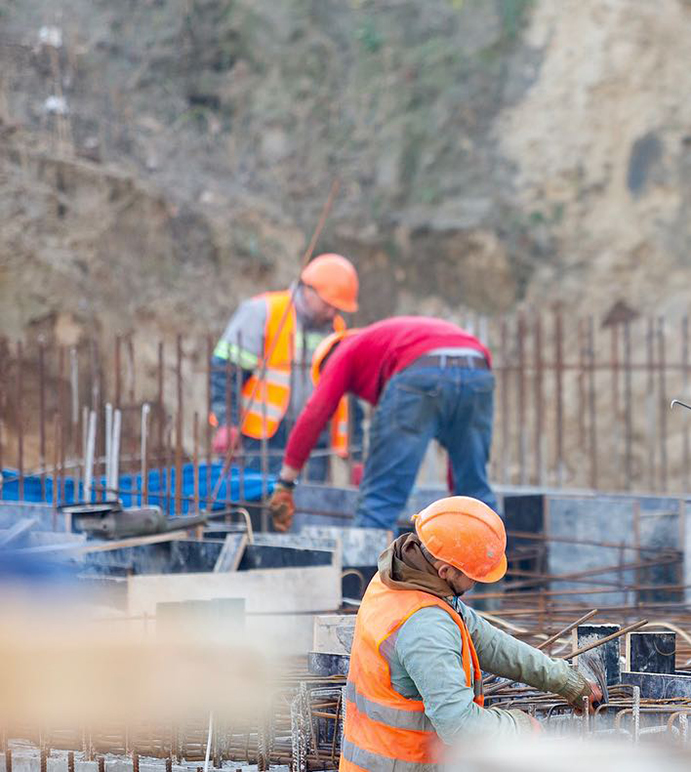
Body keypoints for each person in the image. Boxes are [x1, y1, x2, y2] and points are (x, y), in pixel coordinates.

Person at [339, 496, 602, 769]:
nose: (477, 581)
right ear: (445, 570)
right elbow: (459, 725)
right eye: (473, 575)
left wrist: (564, 680)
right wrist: (522, 729)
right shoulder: (426, 627)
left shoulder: (403, 578)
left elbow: (489, 642)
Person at [268, 316, 497, 532]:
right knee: (474, 496)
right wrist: (458, 492)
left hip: (419, 369)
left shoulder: (344, 351)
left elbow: (316, 412)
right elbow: (461, 452)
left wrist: (285, 482)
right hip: (477, 366)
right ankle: (493, 559)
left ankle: (368, 560)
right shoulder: (386, 343)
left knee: (380, 500)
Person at [209, 254, 360, 481]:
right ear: (308, 289)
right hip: (263, 438)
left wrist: (357, 455)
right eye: (328, 305)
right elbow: (226, 371)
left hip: (314, 439)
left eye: (337, 309)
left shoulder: (336, 329)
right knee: (260, 497)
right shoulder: (264, 312)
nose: (332, 313)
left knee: (307, 499)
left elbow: (348, 394)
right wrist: (227, 423)